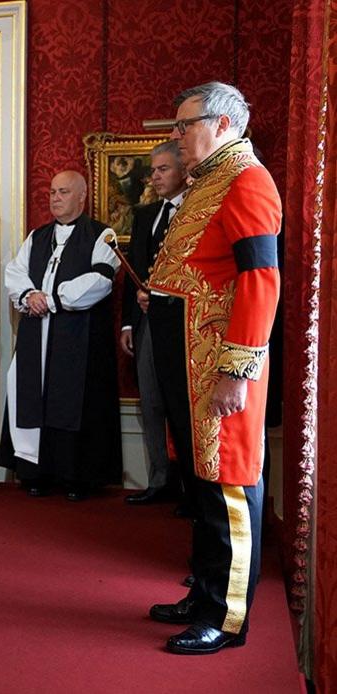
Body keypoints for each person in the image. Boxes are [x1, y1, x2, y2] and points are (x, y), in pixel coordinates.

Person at [146, 82, 281, 655]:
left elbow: (260, 281)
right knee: (200, 488)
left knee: (227, 487)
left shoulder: (248, 180)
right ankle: (203, 594)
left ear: (223, 123)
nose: (177, 138)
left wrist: (236, 369)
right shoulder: (208, 182)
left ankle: (227, 619)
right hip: (185, 358)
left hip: (218, 366)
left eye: (185, 125)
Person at [0, 170, 122, 501]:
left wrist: (52, 299)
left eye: (63, 192)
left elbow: (101, 280)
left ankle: (74, 476)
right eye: (52, 191)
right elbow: (15, 271)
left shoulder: (101, 235)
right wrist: (28, 295)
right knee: (34, 396)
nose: (54, 198)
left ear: (81, 197)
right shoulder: (38, 236)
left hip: (76, 335)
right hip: (36, 332)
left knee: (71, 398)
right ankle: (34, 472)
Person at [121, 141, 189, 505]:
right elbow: (133, 276)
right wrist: (128, 325)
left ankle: (189, 488)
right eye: (153, 170)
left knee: (182, 405)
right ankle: (159, 480)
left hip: (183, 326)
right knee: (151, 402)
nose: (155, 176)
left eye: (163, 169)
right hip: (147, 324)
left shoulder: (196, 211)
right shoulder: (145, 215)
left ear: (183, 169)